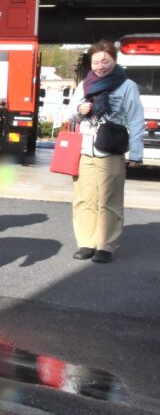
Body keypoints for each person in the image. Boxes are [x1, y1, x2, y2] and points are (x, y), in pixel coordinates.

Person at [66, 39, 145, 263]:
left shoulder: (127, 86)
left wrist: (136, 154)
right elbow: (69, 115)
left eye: (105, 61)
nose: (100, 66)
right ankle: (86, 243)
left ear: (114, 61)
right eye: (96, 62)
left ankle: (105, 245)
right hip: (84, 150)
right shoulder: (84, 86)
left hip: (111, 150)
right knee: (84, 199)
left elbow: (136, 121)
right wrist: (79, 110)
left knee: (109, 201)